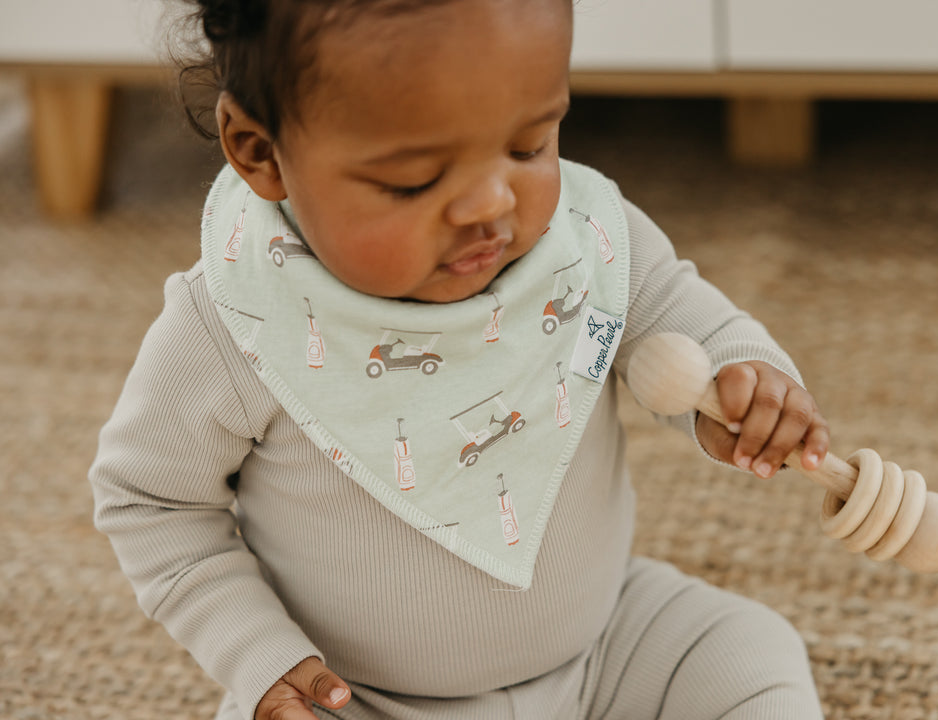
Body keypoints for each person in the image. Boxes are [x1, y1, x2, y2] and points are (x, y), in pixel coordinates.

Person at [89, 0, 832, 718]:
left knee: (751, 655)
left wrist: (744, 378)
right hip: (358, 695)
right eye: (413, 180)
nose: (490, 205)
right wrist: (259, 656)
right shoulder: (234, 322)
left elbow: (669, 315)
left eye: (529, 146)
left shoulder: (582, 241)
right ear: (260, 152)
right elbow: (152, 503)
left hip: (603, 649)